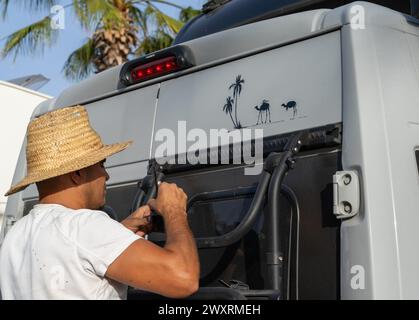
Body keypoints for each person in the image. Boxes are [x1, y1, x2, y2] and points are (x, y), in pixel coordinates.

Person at [0, 105, 199, 300]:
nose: (106, 175)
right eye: (101, 164)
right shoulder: (85, 226)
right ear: (76, 173)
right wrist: (174, 210)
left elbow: (74, 258)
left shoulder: (15, 236)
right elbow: (184, 279)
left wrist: (119, 232)